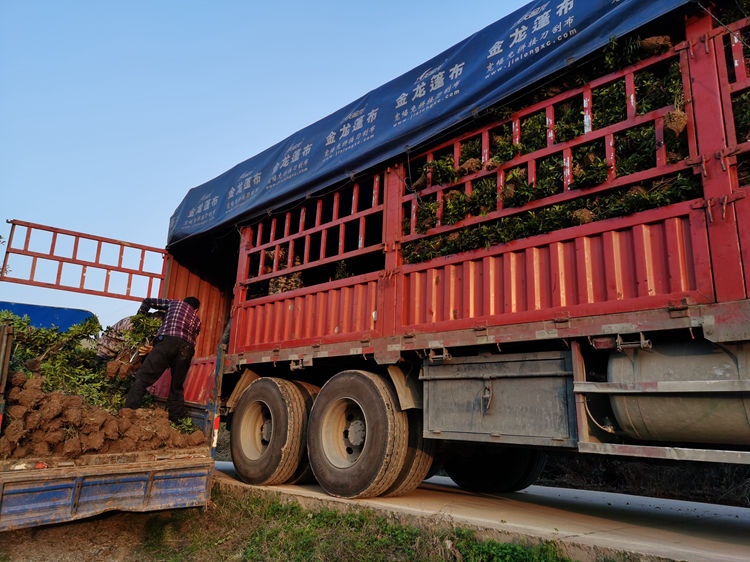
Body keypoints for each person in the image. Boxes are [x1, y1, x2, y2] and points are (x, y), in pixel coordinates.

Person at [123, 296, 201, 422]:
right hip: (187, 349)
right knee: (177, 386)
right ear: (196, 310)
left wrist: (140, 319)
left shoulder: (175, 303)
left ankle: (129, 412)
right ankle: (175, 420)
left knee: (143, 378)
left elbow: (148, 301)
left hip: (167, 342)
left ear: (183, 301)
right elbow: (194, 337)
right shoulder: (197, 320)